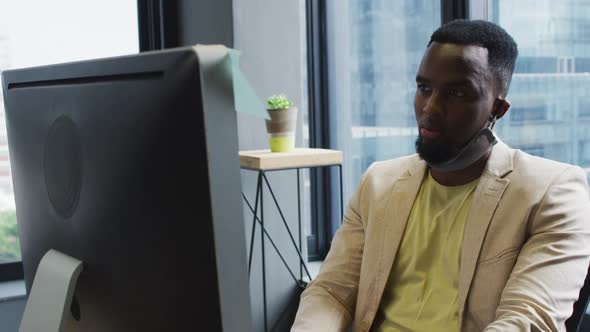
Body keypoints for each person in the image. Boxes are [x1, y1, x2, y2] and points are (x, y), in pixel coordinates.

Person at [291, 19, 590, 332]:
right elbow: (331, 291)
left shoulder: (551, 192)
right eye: (424, 88)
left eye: (457, 93)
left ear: (497, 109)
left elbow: (527, 320)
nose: (430, 109)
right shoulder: (379, 183)